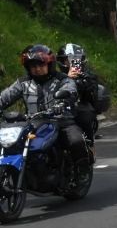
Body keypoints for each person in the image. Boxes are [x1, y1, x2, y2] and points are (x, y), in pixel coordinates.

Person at [0, 44, 89, 174]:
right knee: (9, 143)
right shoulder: (23, 83)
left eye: (40, 65)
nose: (37, 69)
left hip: (61, 121)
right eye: (33, 66)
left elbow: (70, 89)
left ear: (49, 65)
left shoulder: (61, 79)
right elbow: (5, 97)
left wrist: (63, 102)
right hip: (33, 124)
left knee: (76, 140)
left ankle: (82, 170)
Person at [57, 43, 100, 154]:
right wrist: (67, 77)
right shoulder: (54, 76)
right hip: (57, 109)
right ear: (62, 62)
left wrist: (81, 80)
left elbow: (92, 90)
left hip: (78, 108)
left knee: (85, 114)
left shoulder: (88, 75)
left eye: (76, 59)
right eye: (68, 60)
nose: (72, 63)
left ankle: (90, 145)